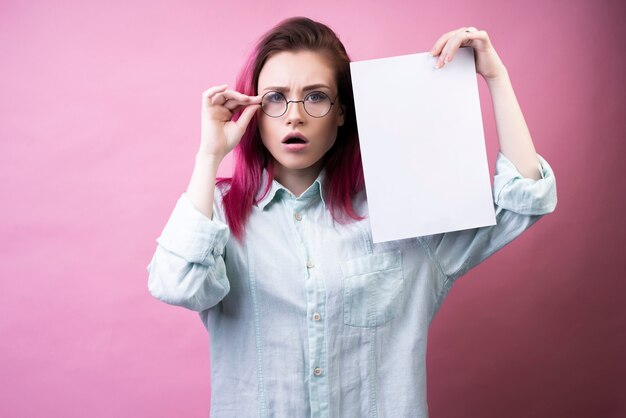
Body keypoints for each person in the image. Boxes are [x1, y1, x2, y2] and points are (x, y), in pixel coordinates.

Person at [147, 16, 557, 418]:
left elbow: (523, 202)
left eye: (316, 96)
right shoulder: (215, 212)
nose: (294, 115)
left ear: (342, 111)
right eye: (274, 97)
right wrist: (209, 155)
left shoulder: (402, 213)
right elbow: (179, 284)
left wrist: (496, 78)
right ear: (253, 110)